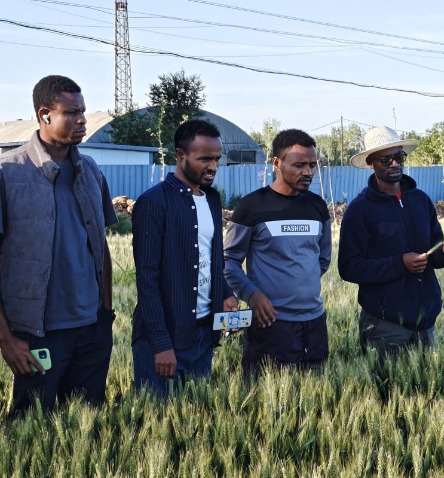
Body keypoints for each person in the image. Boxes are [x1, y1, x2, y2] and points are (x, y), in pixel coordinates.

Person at [0, 75, 117, 413]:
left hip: (91, 329)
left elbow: (102, 247)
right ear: (45, 114)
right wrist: (7, 340)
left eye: (83, 111)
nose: (82, 120)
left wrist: (105, 315)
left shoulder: (91, 170)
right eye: (72, 113)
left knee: (87, 425)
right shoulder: (9, 174)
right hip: (38, 333)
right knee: (32, 428)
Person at [132, 119, 238, 395]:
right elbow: (147, 279)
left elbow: (213, 256)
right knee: (156, 420)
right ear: (180, 156)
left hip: (204, 332)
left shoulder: (213, 199)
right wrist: (160, 344)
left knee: (195, 413)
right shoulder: (154, 202)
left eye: (216, 158)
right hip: (166, 337)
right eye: (204, 159)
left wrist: (225, 292)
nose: (213, 166)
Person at [338, 126, 444, 358]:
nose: (394, 164)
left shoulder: (421, 200)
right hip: (385, 325)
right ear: (371, 163)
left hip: (426, 320)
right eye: (386, 159)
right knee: (387, 391)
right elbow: (349, 268)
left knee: (426, 390)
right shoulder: (359, 210)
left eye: (399, 157)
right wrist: (399, 263)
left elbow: (434, 255)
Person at [224, 129, 331, 377]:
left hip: (314, 324)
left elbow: (322, 259)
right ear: (277, 163)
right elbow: (228, 260)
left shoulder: (317, 207)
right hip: (270, 325)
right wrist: (252, 295)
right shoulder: (251, 206)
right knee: (267, 401)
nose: (308, 172)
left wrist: (300, 284)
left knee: (313, 400)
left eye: (312, 165)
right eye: (299, 165)